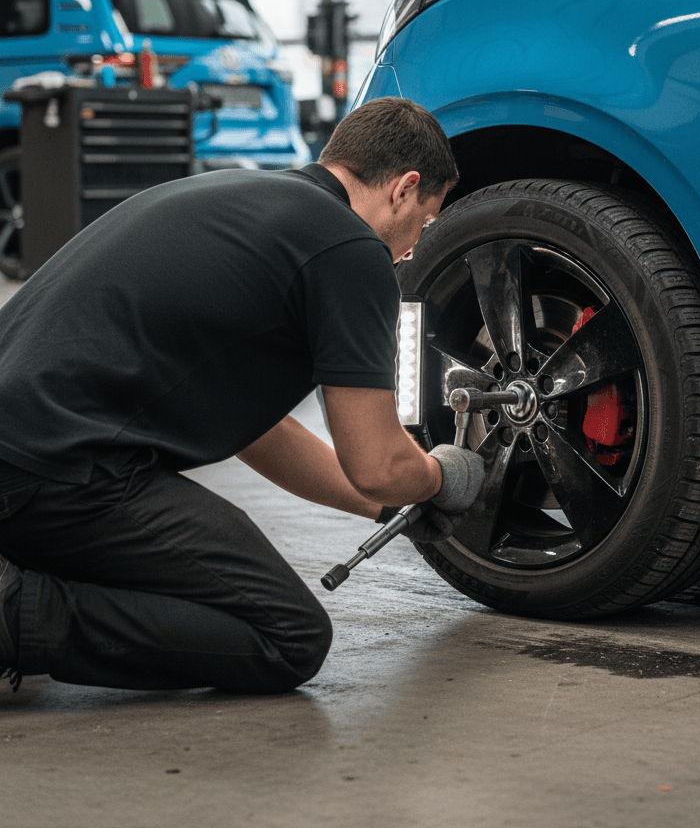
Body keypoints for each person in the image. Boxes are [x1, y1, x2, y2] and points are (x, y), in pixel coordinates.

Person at [0, 96, 485, 695]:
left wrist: (387, 510)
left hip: (28, 453)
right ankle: (12, 614)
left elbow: (260, 433)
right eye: (427, 221)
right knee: (288, 637)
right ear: (405, 189)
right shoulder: (350, 250)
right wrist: (441, 477)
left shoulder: (238, 200)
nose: (413, 247)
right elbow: (379, 462)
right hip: (57, 471)